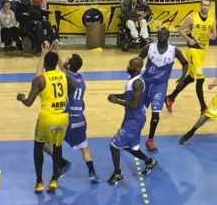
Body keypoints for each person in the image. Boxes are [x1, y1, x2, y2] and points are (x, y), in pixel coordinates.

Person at [17, 45, 77, 193]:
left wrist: (22, 98)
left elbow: (29, 103)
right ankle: (54, 180)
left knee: (38, 146)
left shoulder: (40, 80)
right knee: (57, 147)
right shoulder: (65, 77)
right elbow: (73, 87)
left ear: (44, 64)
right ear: (57, 63)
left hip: (46, 118)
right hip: (62, 117)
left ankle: (39, 182)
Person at [36, 44, 99, 183]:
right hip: (80, 119)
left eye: (67, 59)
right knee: (84, 147)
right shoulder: (81, 78)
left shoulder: (64, 78)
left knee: (44, 144)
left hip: (66, 118)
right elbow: (65, 69)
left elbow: (59, 73)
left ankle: (63, 163)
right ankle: (92, 172)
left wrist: (45, 56)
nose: (64, 60)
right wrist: (57, 55)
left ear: (68, 65)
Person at [106, 57, 158, 186]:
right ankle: (149, 161)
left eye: (131, 65)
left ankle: (117, 173)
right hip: (131, 118)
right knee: (130, 147)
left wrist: (116, 101)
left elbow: (134, 104)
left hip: (135, 119)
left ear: (138, 68)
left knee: (114, 146)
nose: (128, 66)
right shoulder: (131, 81)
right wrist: (116, 96)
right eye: (129, 63)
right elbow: (129, 96)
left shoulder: (138, 83)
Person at [138, 28, 188, 153]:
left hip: (160, 85)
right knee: (137, 111)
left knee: (156, 113)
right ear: (157, 35)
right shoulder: (149, 47)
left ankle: (149, 141)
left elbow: (185, 63)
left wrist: (182, 78)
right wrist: (135, 77)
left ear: (169, 36)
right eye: (160, 33)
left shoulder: (174, 50)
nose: (163, 35)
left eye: (165, 33)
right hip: (146, 83)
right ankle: (124, 131)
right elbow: (138, 61)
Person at [165, 0, 217, 114]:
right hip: (193, 50)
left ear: (209, 6)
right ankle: (203, 108)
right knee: (200, 78)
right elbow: (180, 29)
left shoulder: (212, 18)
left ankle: (170, 97)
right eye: (203, 5)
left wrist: (211, 36)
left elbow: (215, 35)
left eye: (207, 5)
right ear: (200, 5)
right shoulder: (192, 18)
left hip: (203, 51)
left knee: (191, 78)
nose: (205, 7)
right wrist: (188, 39)